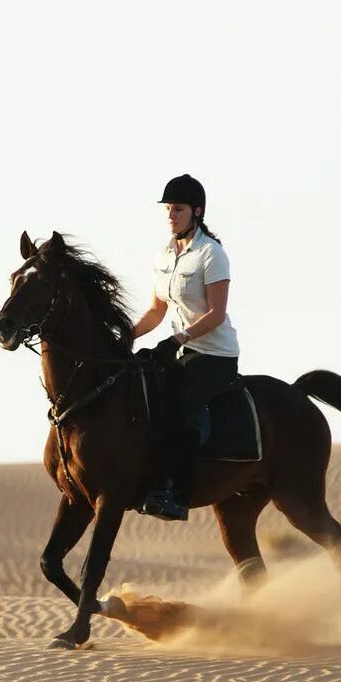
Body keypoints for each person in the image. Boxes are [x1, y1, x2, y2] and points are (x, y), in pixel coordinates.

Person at [130, 173, 240, 520]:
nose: (171, 215)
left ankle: (176, 494)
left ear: (197, 211)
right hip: (180, 350)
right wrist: (125, 336)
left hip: (214, 355)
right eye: (168, 208)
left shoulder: (211, 254)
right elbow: (156, 310)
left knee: (177, 407)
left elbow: (216, 314)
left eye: (177, 208)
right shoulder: (163, 255)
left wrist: (178, 338)